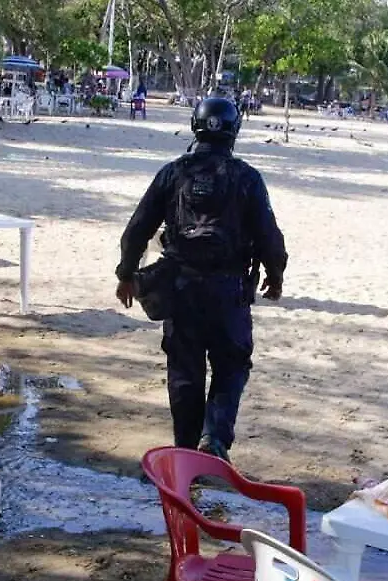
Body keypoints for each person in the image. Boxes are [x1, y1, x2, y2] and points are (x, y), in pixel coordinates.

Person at [114, 97, 287, 461]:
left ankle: (185, 450)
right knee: (231, 365)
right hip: (230, 293)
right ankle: (215, 438)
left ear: (195, 126)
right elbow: (270, 236)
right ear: (234, 132)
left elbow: (137, 229)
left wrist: (126, 274)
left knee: (184, 371)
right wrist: (275, 275)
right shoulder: (247, 178)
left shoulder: (173, 173)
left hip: (182, 290)